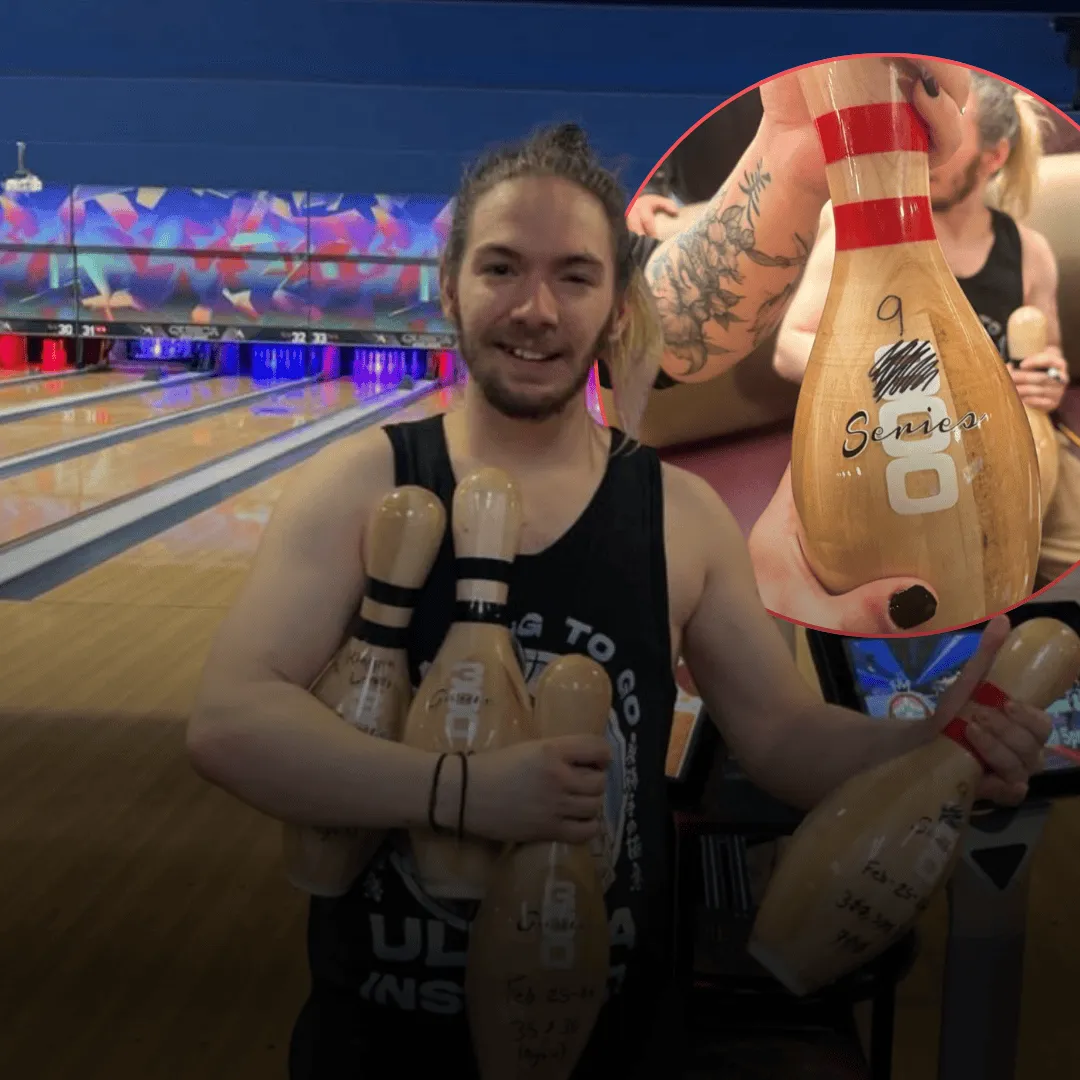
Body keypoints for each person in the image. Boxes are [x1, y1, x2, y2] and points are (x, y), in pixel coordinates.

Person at [186, 72, 1051, 1080]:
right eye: (502, 269)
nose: (535, 309)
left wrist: (931, 749)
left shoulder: (676, 514)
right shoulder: (365, 482)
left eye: (575, 277)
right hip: (379, 1040)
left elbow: (779, 737)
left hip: (615, 1040)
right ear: (450, 285)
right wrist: (460, 791)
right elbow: (229, 723)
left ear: (616, 305)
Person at [762, 71, 1075, 621]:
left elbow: (1047, 354)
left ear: (994, 157)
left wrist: (1048, 376)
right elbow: (789, 349)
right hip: (894, 437)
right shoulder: (847, 231)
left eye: (951, 130)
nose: (929, 143)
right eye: (924, 124)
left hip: (1018, 441)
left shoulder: (1030, 249)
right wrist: (947, 383)